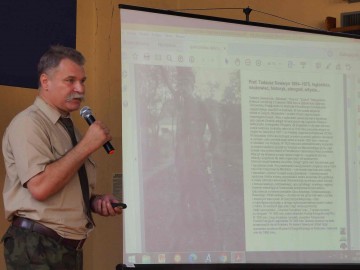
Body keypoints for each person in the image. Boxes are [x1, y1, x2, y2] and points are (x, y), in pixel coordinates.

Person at [1, 45, 122, 269]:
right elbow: (40, 187)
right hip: (36, 247)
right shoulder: (29, 123)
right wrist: (87, 145)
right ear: (45, 82)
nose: (79, 89)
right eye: (70, 80)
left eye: (83, 81)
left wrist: (95, 202)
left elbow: (64, 186)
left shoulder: (67, 126)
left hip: (65, 249)